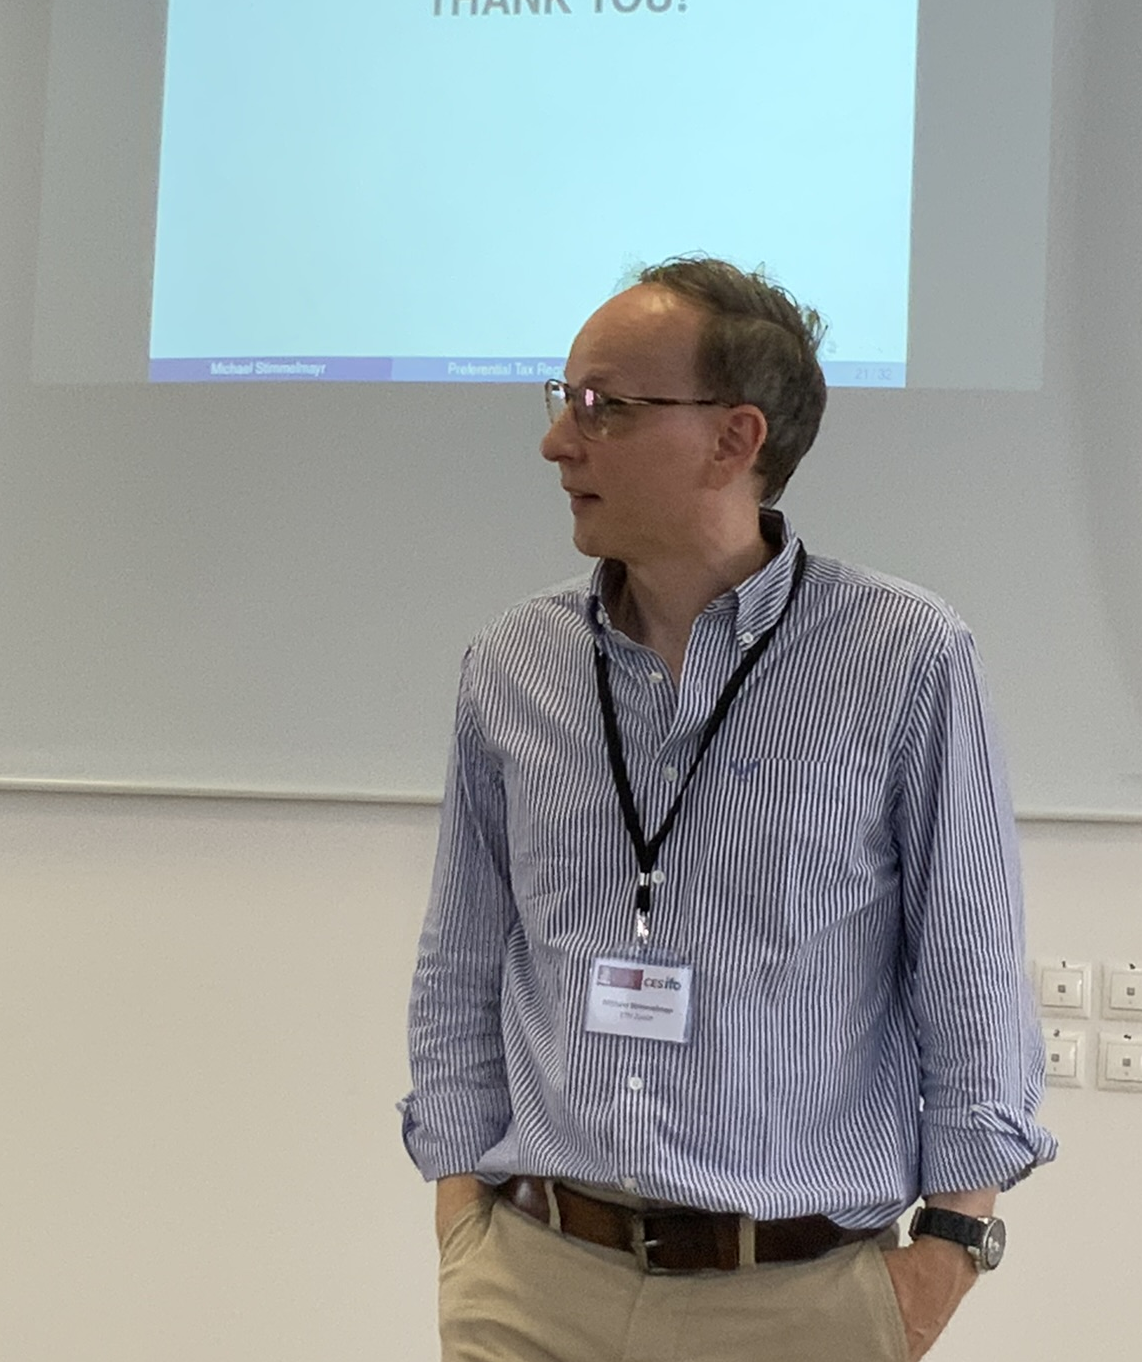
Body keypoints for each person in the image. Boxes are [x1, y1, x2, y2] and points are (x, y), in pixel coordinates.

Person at [401, 256, 1056, 1362]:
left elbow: (969, 974)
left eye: (603, 406)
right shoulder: (513, 664)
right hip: (532, 1284)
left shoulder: (905, 658)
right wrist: (461, 1214)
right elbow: (459, 959)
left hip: (795, 1302)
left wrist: (947, 1251)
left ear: (733, 439)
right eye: (563, 400)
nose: (558, 442)